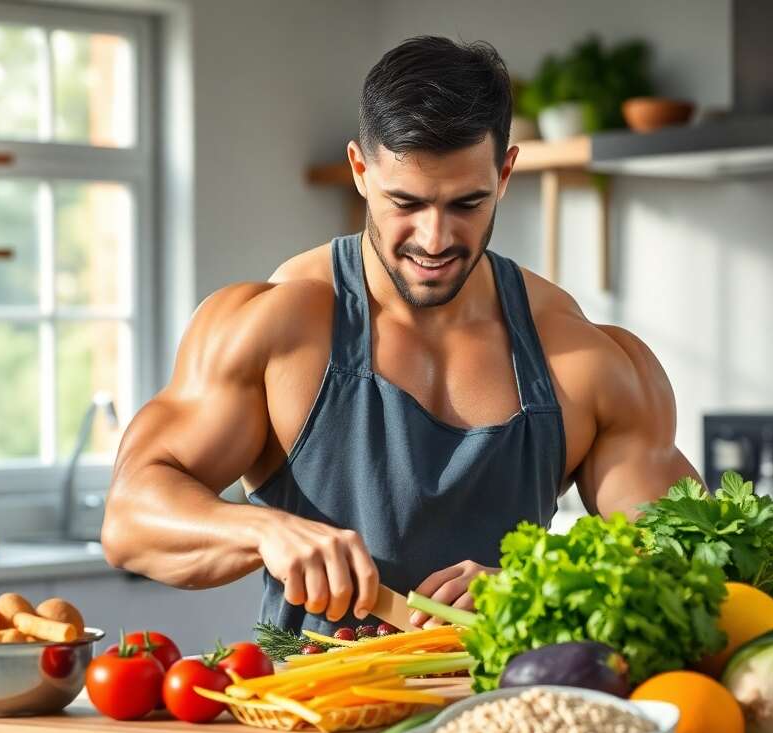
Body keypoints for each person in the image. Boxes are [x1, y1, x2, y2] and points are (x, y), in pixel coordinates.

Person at [101, 35, 699, 635]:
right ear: (361, 171)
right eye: (405, 202)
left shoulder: (582, 358)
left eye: (467, 203)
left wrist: (542, 584)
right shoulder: (276, 327)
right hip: (313, 716)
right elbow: (130, 518)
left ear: (506, 173)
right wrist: (263, 531)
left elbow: (695, 564)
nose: (435, 239)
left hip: (505, 720)